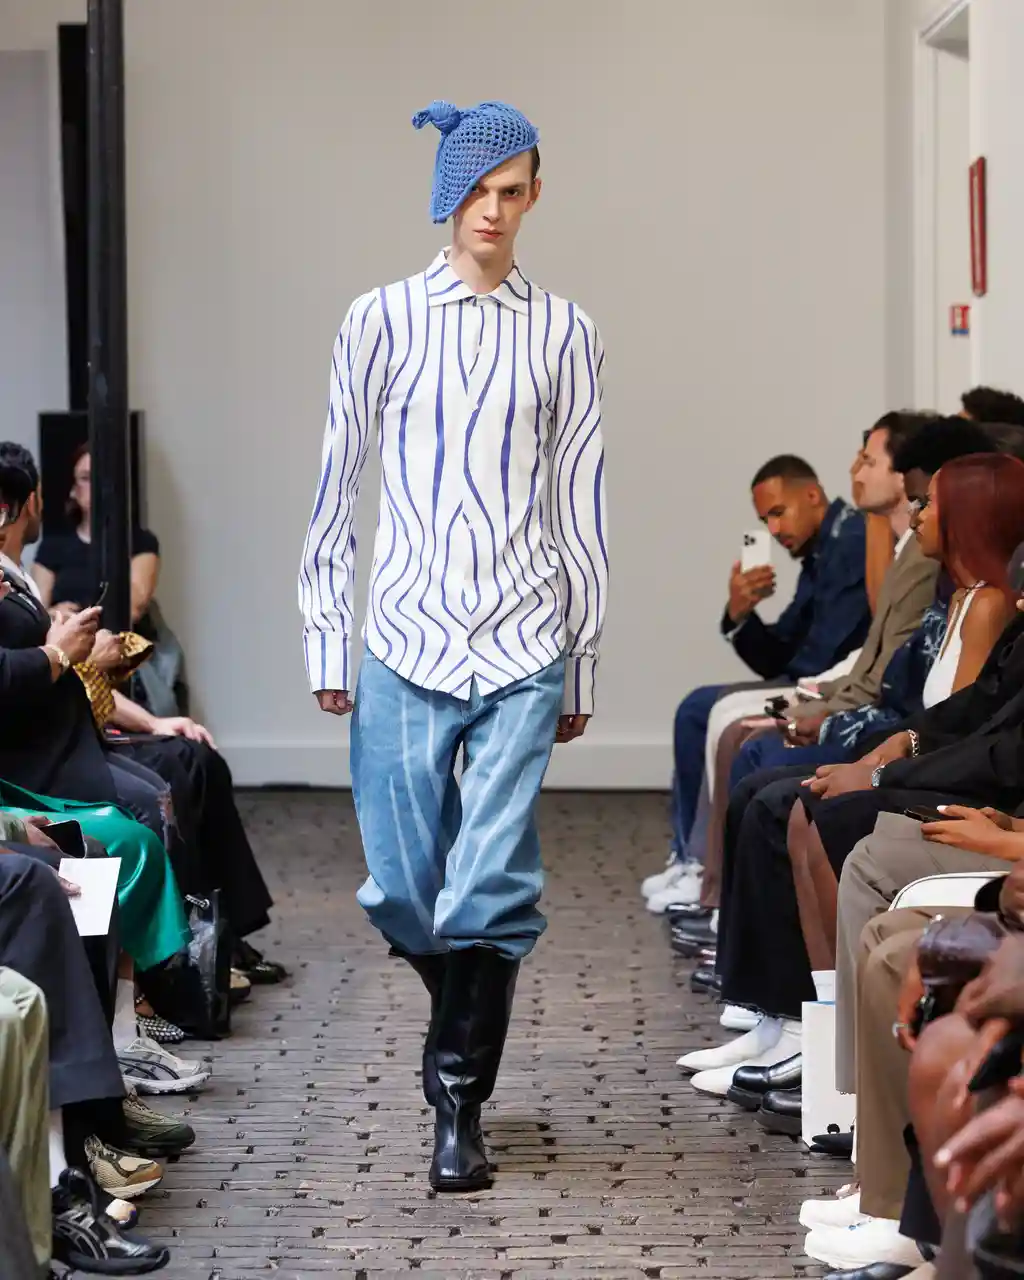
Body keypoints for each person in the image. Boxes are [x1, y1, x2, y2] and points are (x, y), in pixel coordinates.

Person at [299, 99, 607, 1193]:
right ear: (447, 193)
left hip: (524, 634)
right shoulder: (378, 319)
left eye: (511, 191)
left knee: (488, 881)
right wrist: (327, 637)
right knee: (400, 886)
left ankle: (456, 1102)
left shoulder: (565, 331)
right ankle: (463, 1018)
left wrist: (581, 655)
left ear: (535, 196)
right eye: (476, 191)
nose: (492, 210)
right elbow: (338, 481)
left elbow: (580, 500)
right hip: (401, 632)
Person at [663, 454, 870, 903]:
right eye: (765, 521)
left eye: (778, 512)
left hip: (831, 688)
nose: (774, 530)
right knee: (698, 708)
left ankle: (701, 866)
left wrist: (755, 632)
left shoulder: (851, 544)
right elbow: (784, 652)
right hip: (816, 679)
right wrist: (740, 614)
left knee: (702, 711)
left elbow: (814, 659)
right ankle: (690, 859)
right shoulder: (824, 550)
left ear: (812, 495)